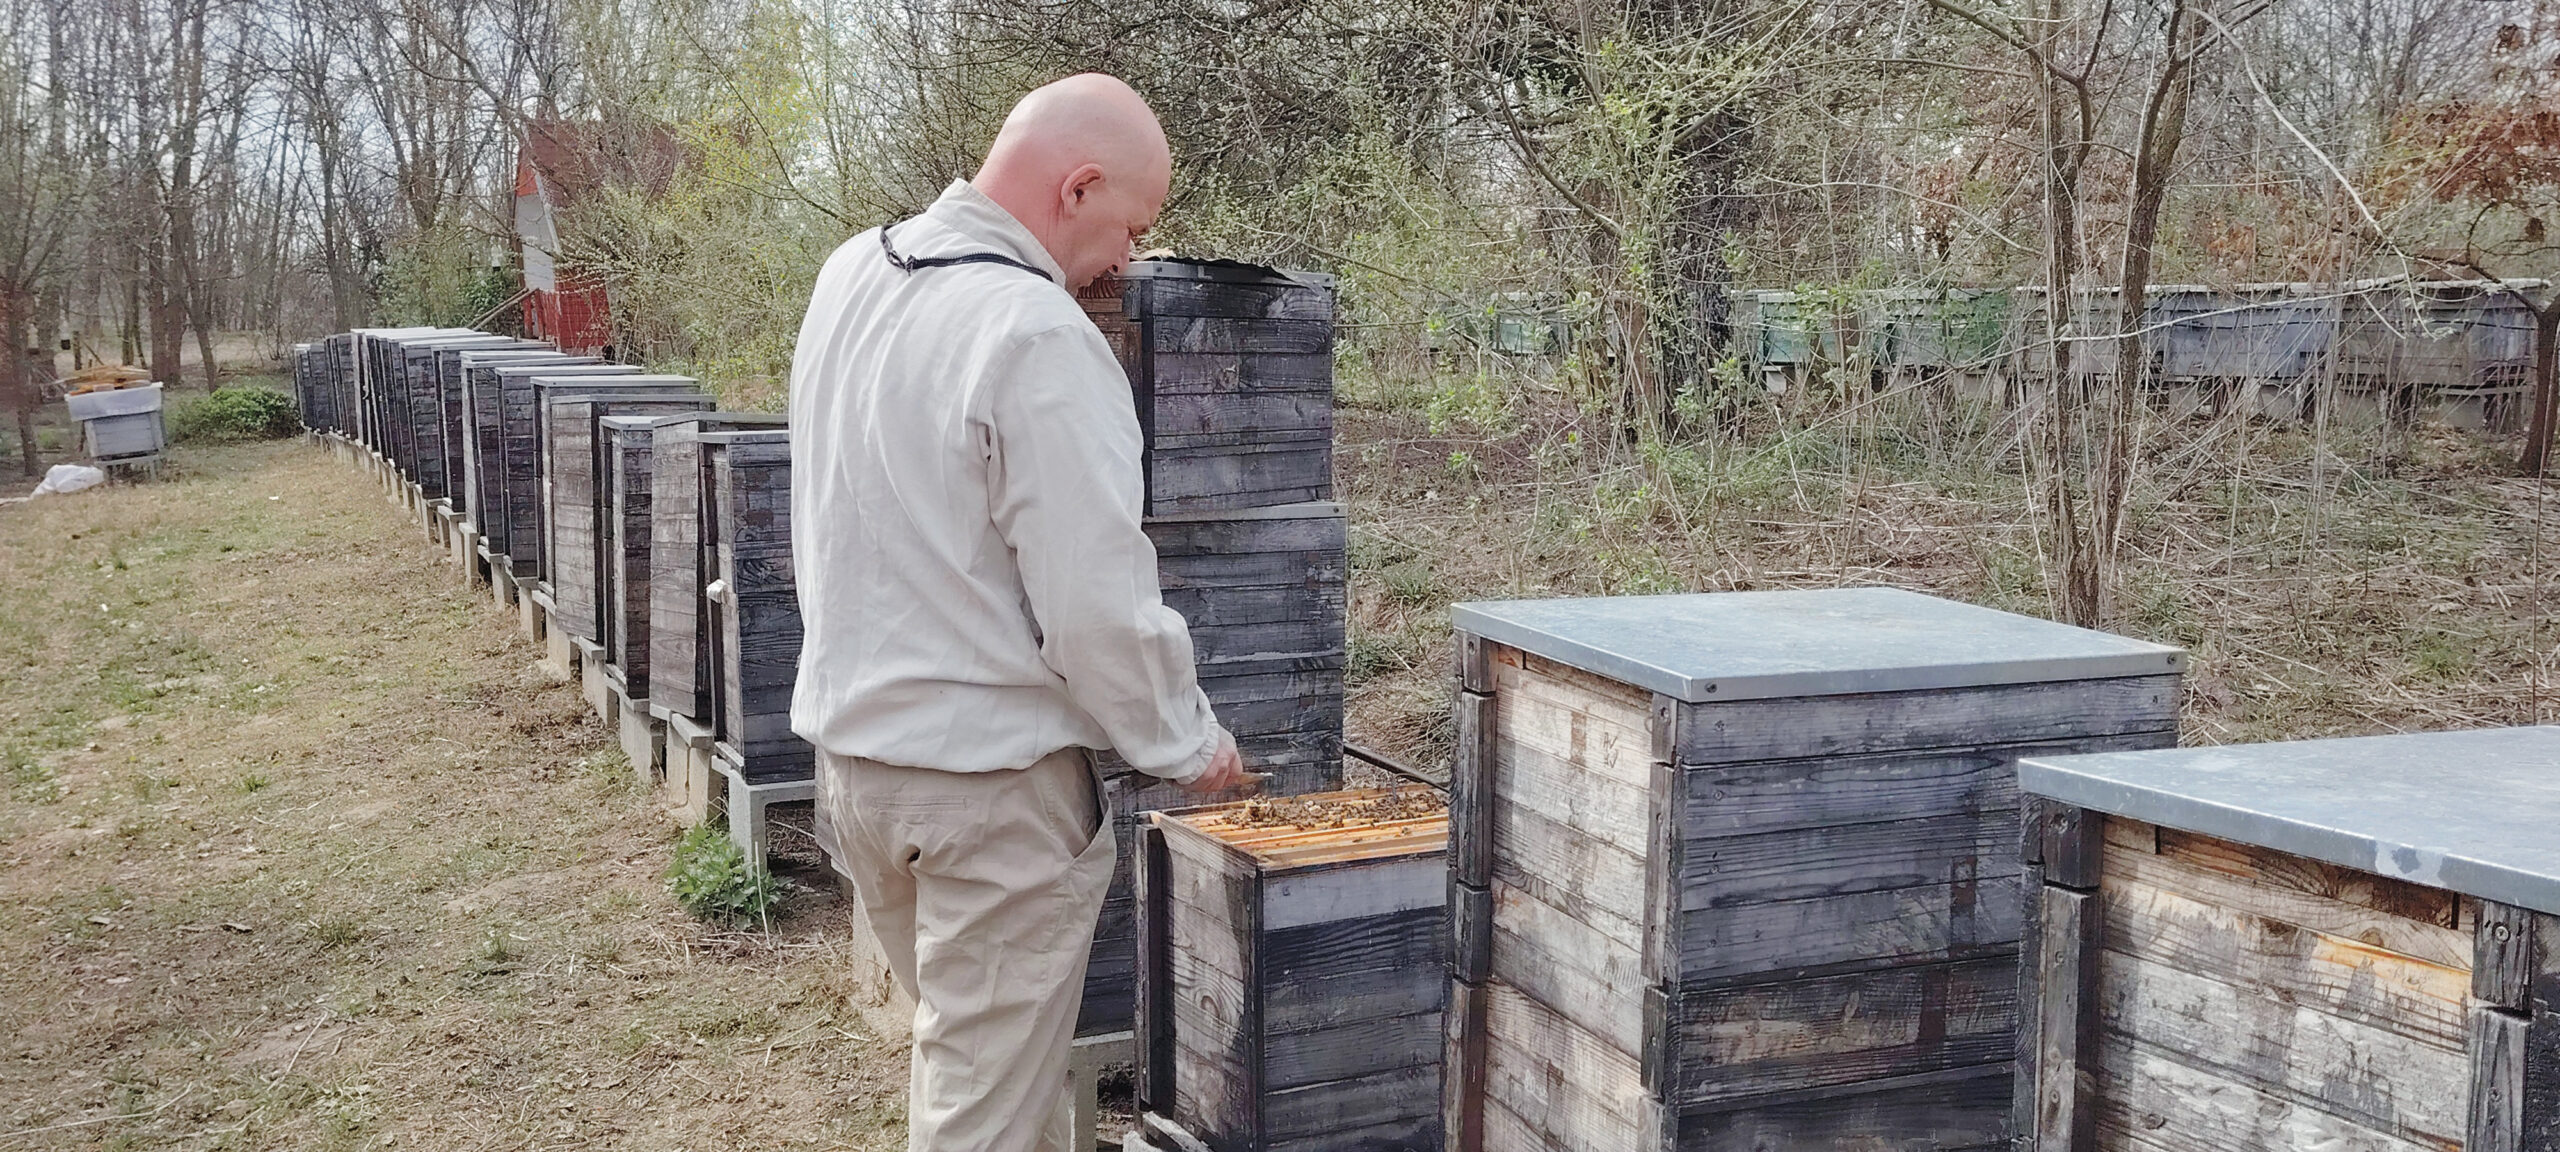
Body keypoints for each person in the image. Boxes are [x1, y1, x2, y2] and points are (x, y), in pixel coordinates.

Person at [785, 73, 1248, 1152]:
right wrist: (1191, 745)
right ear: (1076, 186)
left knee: (997, 1074)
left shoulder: (851, 272)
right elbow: (1095, 610)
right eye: (1129, 224)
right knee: (981, 1116)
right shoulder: (1036, 333)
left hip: (860, 777)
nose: (1128, 258)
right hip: (989, 801)